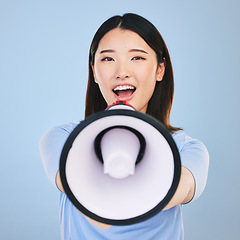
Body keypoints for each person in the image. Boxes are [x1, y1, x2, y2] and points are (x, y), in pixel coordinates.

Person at [39, 13, 209, 240]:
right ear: (94, 71)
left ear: (160, 70)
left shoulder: (187, 151)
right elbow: (69, 181)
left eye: (137, 58)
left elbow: (182, 187)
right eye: (108, 59)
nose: (122, 72)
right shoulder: (62, 138)